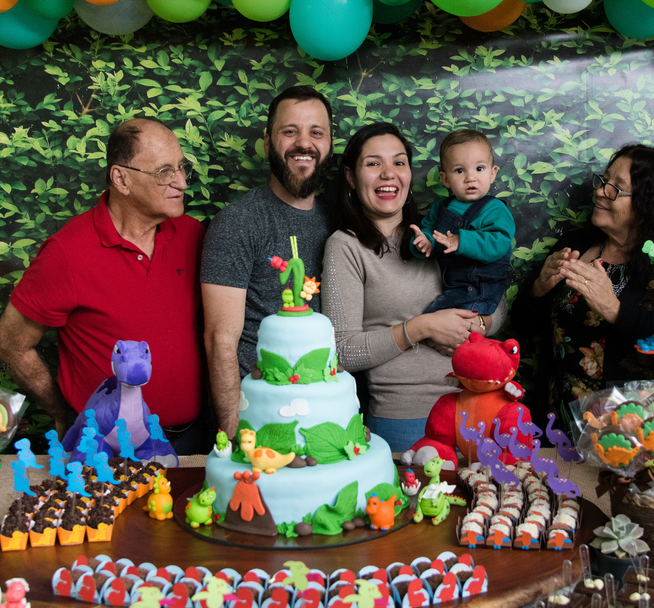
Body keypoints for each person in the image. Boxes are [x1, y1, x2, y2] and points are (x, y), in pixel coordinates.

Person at [0, 118, 211, 453]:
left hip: (193, 441)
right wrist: (61, 410)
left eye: (182, 168)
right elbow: (10, 344)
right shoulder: (67, 252)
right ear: (121, 178)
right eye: (165, 171)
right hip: (108, 449)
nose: (181, 182)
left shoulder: (193, 236)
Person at [321, 122, 509, 453]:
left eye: (399, 162)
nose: (388, 174)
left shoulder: (441, 230)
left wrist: (475, 326)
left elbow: (498, 301)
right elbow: (341, 351)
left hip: (477, 411)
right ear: (351, 177)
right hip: (407, 421)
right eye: (373, 163)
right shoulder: (346, 246)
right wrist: (422, 328)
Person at [511, 144, 654, 426]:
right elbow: (523, 326)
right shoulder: (575, 246)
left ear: (647, 206)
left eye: (616, 188)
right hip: (559, 417)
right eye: (603, 181)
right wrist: (538, 290)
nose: (600, 191)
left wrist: (615, 309)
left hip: (632, 425)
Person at [201, 85, 337, 438]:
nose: (303, 143)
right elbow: (220, 339)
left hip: (326, 415)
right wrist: (234, 435)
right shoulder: (239, 222)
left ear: (330, 144)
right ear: (267, 142)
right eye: (289, 131)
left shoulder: (338, 221)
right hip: (260, 421)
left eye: (316, 133)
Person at [409, 128, 515, 315]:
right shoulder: (442, 208)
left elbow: (498, 243)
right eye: (459, 170)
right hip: (450, 286)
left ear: (493, 173)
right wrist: (426, 242)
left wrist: (461, 241)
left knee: (437, 317)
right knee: (430, 316)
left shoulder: (496, 210)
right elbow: (431, 231)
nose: (470, 177)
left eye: (479, 168)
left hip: (480, 289)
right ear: (445, 179)